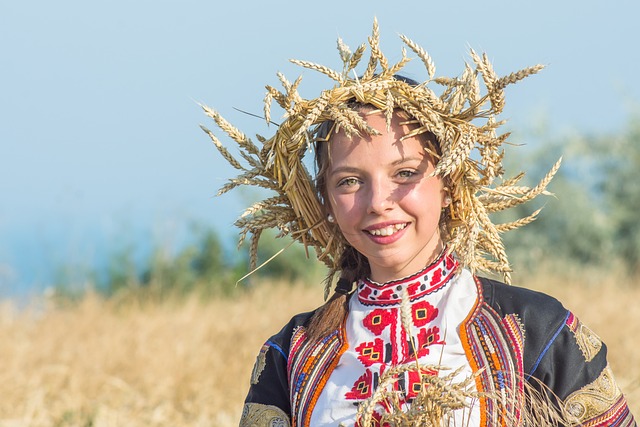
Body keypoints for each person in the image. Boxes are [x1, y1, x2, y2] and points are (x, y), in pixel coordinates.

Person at [202, 20, 636, 427]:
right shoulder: (290, 354)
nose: (378, 203)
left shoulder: (538, 330)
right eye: (350, 181)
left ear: (449, 183)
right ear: (326, 202)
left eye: (405, 173)